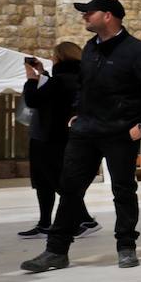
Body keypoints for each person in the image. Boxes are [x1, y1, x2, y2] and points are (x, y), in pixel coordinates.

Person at [21, 0, 141, 273]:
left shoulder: (138, 52)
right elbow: (83, 85)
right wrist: (78, 111)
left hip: (120, 133)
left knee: (123, 190)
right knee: (69, 190)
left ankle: (126, 247)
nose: (84, 17)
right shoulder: (90, 49)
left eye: (89, 13)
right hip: (85, 132)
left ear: (108, 15)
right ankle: (56, 251)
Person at [18, 42, 98, 239]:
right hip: (62, 137)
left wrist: (31, 79)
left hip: (47, 138)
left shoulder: (61, 81)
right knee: (48, 181)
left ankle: (84, 220)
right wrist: (43, 75)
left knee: (55, 181)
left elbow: (33, 100)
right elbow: (52, 95)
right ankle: (46, 223)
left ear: (60, 57)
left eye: (54, 56)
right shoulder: (77, 79)